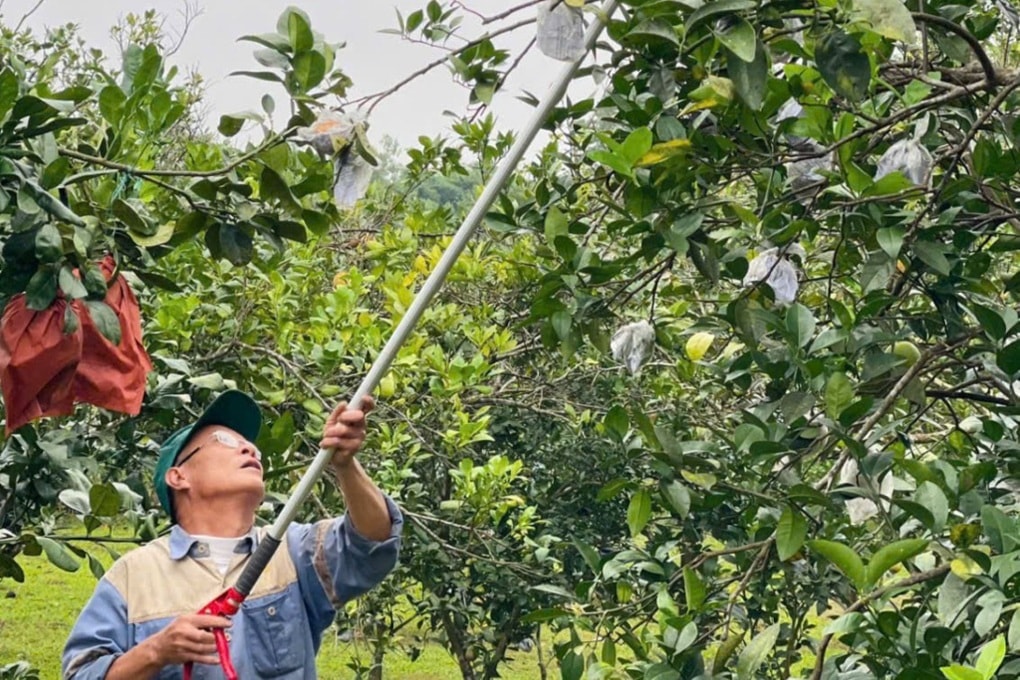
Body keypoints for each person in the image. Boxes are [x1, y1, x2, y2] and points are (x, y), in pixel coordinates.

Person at [61, 390, 403, 679]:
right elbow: (81, 672)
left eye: (251, 447)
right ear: (178, 477)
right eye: (224, 441)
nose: (250, 450)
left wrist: (346, 466)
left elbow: (372, 543)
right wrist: (156, 651)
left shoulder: (292, 551)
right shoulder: (132, 577)